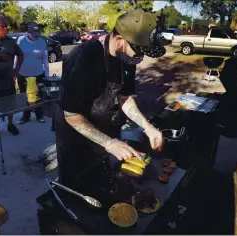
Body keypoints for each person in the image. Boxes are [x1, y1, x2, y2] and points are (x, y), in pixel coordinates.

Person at [55, 10, 166, 186]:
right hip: (74, 132)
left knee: (99, 176)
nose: (140, 57)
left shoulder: (127, 59)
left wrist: (148, 127)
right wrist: (109, 143)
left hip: (102, 126)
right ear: (121, 40)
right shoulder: (83, 58)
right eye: (139, 52)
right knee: (74, 182)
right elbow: (71, 115)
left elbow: (124, 97)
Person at [16, 22, 49, 124]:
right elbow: (16, 57)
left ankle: (39, 115)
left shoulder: (42, 42)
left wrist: (47, 76)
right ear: (28, 32)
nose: (36, 36)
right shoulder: (20, 41)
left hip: (38, 74)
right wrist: (14, 71)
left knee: (38, 96)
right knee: (24, 96)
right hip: (22, 74)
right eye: (34, 34)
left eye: (37, 33)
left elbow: (45, 60)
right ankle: (26, 116)